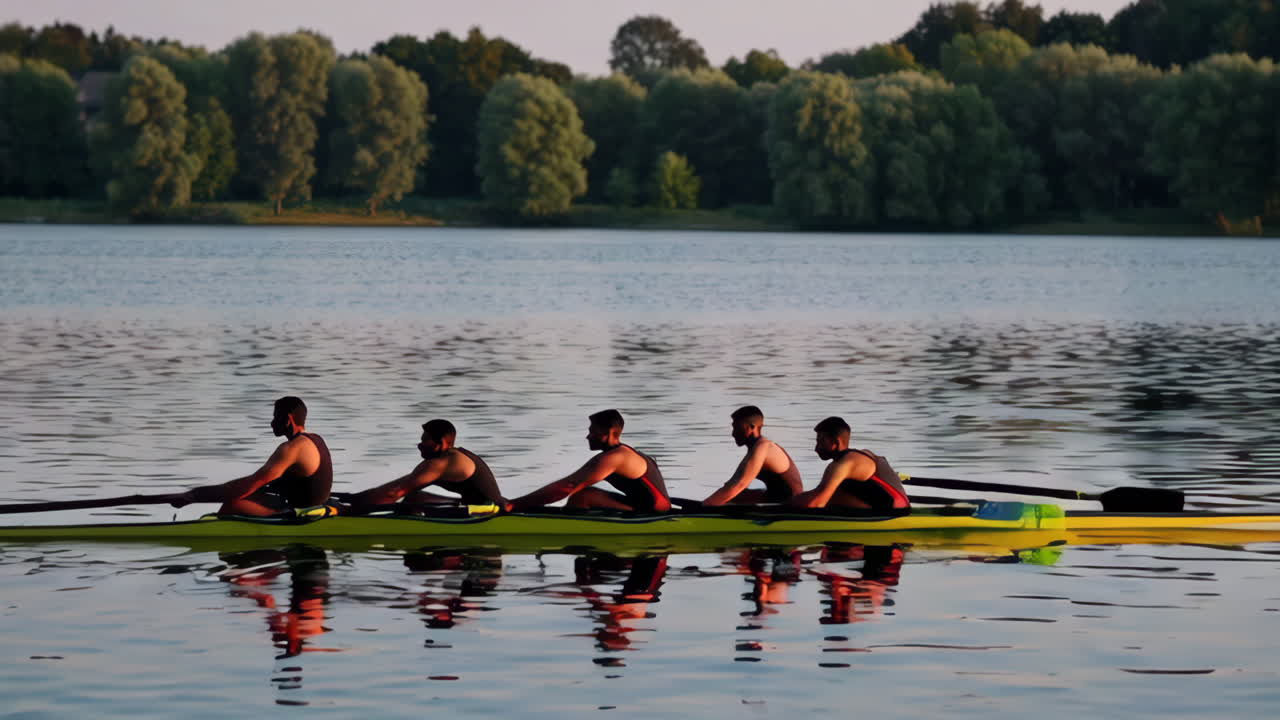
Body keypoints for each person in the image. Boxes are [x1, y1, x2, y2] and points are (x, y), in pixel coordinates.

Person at [168, 396, 333, 517]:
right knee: (248, 496)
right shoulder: (315, 439)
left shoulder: (291, 449)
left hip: (300, 513)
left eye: (276, 416)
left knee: (232, 504)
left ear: (288, 420)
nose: (272, 422)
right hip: (305, 504)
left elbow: (247, 485)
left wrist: (194, 496)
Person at [507, 409, 671, 512]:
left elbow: (566, 487)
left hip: (653, 511)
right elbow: (570, 484)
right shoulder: (615, 454)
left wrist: (515, 504)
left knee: (582, 497)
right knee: (583, 494)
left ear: (611, 432)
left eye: (593, 432)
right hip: (644, 505)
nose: (588, 436)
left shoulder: (615, 458)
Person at [343, 419, 505, 511]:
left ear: (440, 443)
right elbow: (395, 486)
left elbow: (393, 494)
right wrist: (355, 497)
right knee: (414, 497)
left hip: (487, 512)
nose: (419, 445)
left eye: (424, 440)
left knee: (416, 564)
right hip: (472, 505)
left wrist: (350, 511)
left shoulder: (441, 464)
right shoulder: (447, 458)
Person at [790, 416, 910, 511]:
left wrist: (785, 504)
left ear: (836, 442)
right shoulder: (857, 455)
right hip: (892, 506)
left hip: (893, 513)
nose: (816, 448)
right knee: (830, 495)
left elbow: (816, 503)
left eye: (821, 441)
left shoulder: (844, 464)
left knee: (816, 500)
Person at [702, 405, 802, 506]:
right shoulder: (756, 448)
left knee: (732, 492)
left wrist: (702, 507)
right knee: (734, 494)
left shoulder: (763, 447)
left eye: (736, 427)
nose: (733, 434)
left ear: (752, 427)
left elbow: (739, 484)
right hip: (774, 496)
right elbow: (732, 482)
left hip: (791, 504)